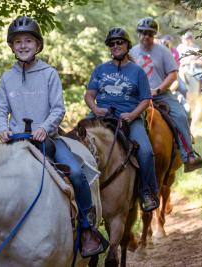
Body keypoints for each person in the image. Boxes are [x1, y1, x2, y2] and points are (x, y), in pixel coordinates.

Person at [0, 16, 107, 258]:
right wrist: (2, 128)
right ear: (12, 47)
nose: (23, 46)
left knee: (76, 173)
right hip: (16, 142)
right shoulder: (7, 78)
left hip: (48, 140)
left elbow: (58, 108)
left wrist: (45, 126)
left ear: (38, 45)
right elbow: (0, 110)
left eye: (28, 41)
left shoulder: (49, 74)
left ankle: (87, 229)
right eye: (18, 42)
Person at [84, 27, 159, 212]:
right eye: (112, 44)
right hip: (100, 115)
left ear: (127, 45)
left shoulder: (137, 72)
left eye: (119, 42)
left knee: (146, 152)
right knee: (75, 142)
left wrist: (133, 115)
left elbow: (146, 99)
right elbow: (89, 95)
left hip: (129, 119)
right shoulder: (100, 69)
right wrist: (95, 108)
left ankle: (147, 191)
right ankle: (78, 193)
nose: (116, 46)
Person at [130, 17, 202, 172]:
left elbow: (172, 74)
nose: (146, 36)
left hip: (160, 94)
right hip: (137, 97)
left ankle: (188, 155)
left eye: (149, 33)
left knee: (180, 115)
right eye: (142, 33)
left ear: (154, 35)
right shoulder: (132, 52)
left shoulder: (163, 51)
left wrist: (158, 90)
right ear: (138, 34)